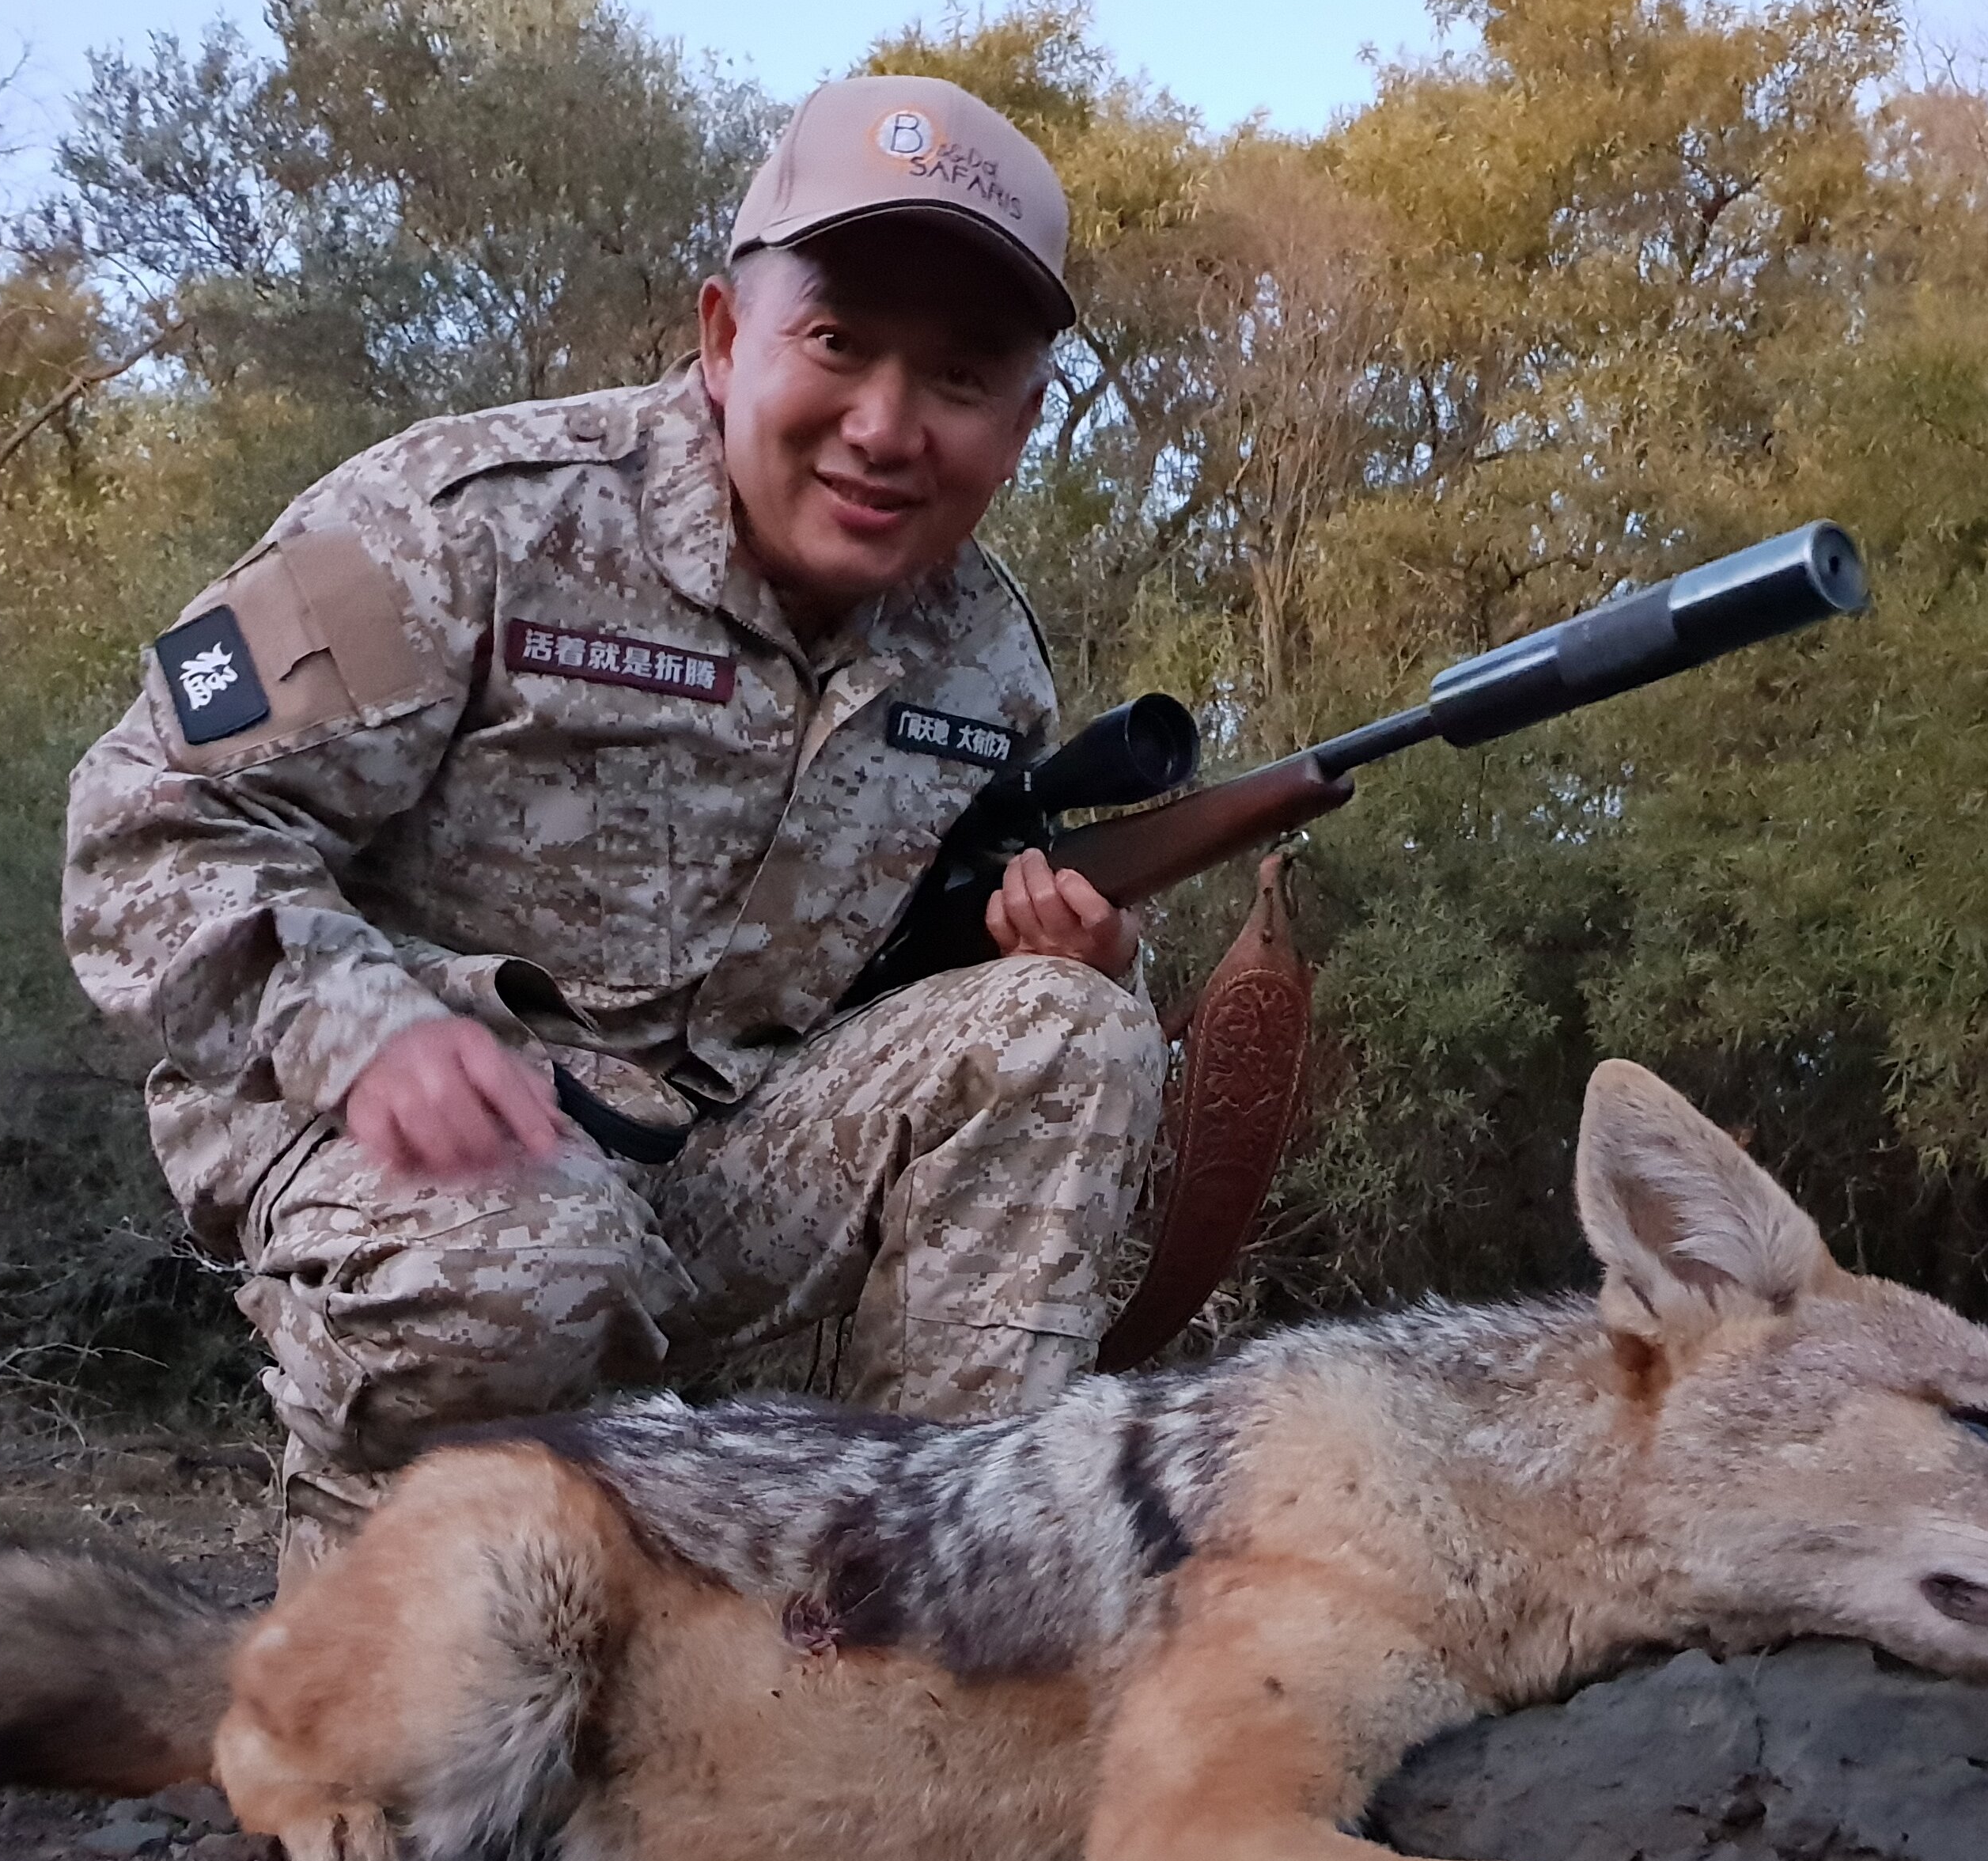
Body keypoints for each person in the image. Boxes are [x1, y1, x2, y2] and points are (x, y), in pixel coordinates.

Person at [62, 78, 1165, 1577]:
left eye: (962, 377)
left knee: (1068, 1029)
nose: (888, 426)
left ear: (1023, 420)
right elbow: (147, 821)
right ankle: (362, 1636)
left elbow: (909, 995)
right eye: (836, 343)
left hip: (713, 1169)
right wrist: (362, 1022)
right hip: (423, 1151)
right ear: (725, 338)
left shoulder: (988, 660)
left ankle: (896, 1624)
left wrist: (1073, 960)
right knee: (535, 1263)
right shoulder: (464, 524)